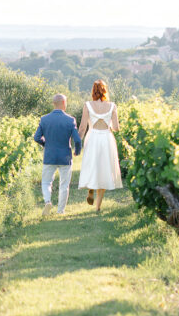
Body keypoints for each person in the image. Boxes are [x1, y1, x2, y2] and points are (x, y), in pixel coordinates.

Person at [33, 94, 82, 217]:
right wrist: (77, 151)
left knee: (46, 182)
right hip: (65, 156)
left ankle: (48, 201)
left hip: (49, 155)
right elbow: (77, 140)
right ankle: (60, 211)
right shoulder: (70, 120)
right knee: (64, 185)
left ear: (54, 103)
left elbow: (36, 137)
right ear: (64, 103)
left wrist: (46, 144)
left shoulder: (44, 119)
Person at [78, 79, 122, 212]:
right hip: (106, 138)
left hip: (92, 137)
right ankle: (98, 206)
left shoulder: (87, 105)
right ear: (105, 91)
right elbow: (116, 128)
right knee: (105, 168)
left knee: (92, 165)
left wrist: (77, 142)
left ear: (93, 91)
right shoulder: (112, 106)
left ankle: (91, 189)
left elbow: (82, 127)